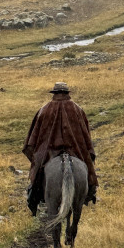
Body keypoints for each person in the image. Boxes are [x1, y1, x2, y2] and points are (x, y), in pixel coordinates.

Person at [22, 82, 98, 216]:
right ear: (67, 93)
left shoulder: (44, 110)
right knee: (87, 167)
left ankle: (34, 197)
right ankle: (90, 192)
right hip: (75, 150)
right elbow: (85, 135)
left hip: (49, 152)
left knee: (38, 174)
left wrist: (37, 154)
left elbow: (34, 138)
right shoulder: (77, 109)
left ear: (54, 94)